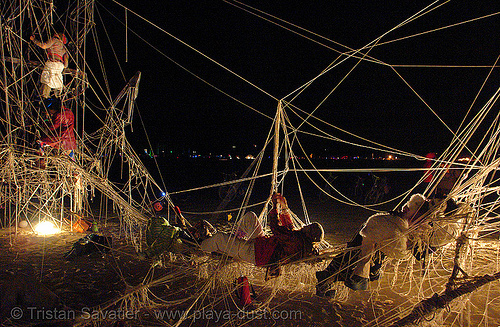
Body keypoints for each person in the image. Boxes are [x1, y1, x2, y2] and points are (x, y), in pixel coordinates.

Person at [316, 193, 430, 295]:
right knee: (347, 264)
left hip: (365, 249)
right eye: (417, 217)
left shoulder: (398, 223)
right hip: (362, 249)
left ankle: (325, 281)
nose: (417, 222)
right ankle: (324, 283)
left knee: (347, 262)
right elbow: (399, 250)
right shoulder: (391, 225)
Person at [200, 193, 324, 278]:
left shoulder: (296, 241)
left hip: (256, 253)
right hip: (263, 245)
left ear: (309, 233)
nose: (305, 226)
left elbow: (276, 227)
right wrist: (284, 208)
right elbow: (290, 228)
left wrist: (276, 206)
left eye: (308, 227)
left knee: (218, 238)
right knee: (250, 217)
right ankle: (234, 243)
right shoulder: (302, 241)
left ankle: (201, 247)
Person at [37, 98, 76, 163]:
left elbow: (52, 128)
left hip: (60, 138)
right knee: (71, 160)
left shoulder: (59, 115)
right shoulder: (68, 111)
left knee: (39, 143)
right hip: (70, 140)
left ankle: (41, 162)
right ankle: (75, 171)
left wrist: (45, 123)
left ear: (52, 109)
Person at [30, 32, 68, 99]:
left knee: (47, 80)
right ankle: (57, 98)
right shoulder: (64, 48)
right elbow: (65, 65)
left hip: (52, 63)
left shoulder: (54, 40)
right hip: (60, 66)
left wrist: (34, 40)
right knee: (57, 81)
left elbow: (44, 46)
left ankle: (44, 98)